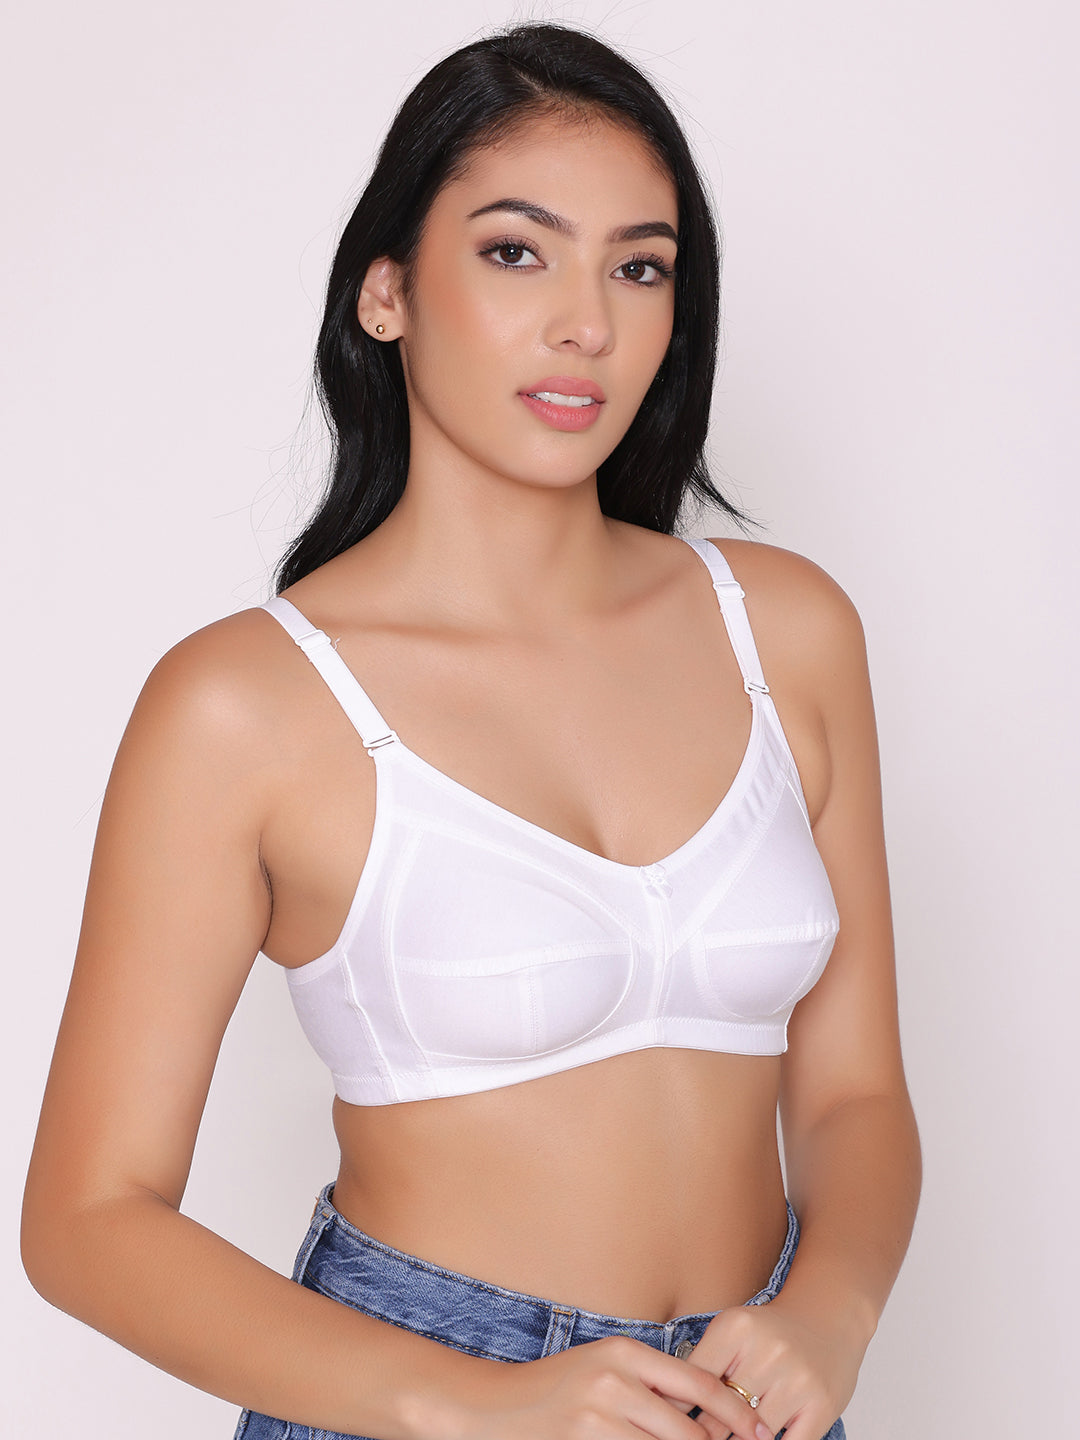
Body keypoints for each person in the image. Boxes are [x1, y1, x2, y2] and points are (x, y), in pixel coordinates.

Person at [21, 22, 920, 1440]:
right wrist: (474, 1404)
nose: (587, 324)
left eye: (639, 267)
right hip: (416, 1395)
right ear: (386, 291)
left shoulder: (786, 632)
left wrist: (833, 1312)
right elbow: (84, 1218)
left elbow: (854, 1093)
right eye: (517, 253)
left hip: (750, 1399)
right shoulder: (246, 706)